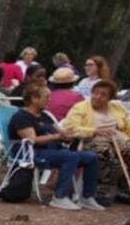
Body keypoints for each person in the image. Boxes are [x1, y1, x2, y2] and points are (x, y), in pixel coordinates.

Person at [59, 79, 130, 204]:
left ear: (110, 98)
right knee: (105, 153)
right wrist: (95, 130)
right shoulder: (80, 107)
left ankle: (127, 191)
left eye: (103, 94)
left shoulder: (116, 108)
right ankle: (102, 191)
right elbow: (71, 128)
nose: (98, 97)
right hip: (91, 139)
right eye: (95, 93)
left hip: (117, 139)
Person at [9, 82, 100, 210]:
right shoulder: (21, 117)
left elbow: (59, 133)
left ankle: (87, 196)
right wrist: (57, 137)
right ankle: (60, 196)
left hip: (52, 150)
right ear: (34, 98)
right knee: (70, 157)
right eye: (46, 97)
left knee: (91, 157)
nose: (49, 100)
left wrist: (69, 135)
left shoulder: (45, 115)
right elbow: (32, 140)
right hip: (32, 153)